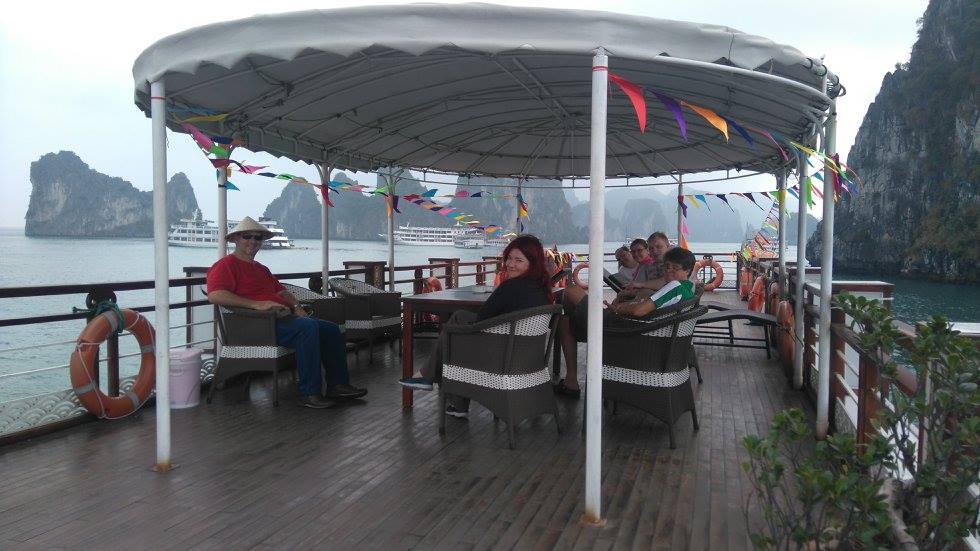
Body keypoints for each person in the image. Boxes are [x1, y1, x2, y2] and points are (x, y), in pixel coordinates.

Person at [206, 217, 367, 409]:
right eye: (247, 236)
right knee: (307, 328)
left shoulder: (261, 269)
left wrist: (297, 307)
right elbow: (215, 295)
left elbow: (282, 292)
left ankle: (337, 385)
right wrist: (257, 305)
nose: (253, 241)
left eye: (258, 237)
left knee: (330, 329)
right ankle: (310, 393)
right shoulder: (225, 266)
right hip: (255, 327)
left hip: (282, 319)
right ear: (235, 240)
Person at [399, 234, 554, 418]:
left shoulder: (511, 287)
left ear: (532, 263)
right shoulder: (542, 289)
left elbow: (482, 318)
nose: (511, 264)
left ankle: (428, 377)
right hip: (526, 359)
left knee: (455, 331)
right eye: (509, 258)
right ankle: (451, 399)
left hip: (500, 360)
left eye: (518, 260)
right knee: (460, 322)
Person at [553, 246, 697, 397]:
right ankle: (571, 375)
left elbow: (638, 311)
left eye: (675, 268)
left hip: (622, 333)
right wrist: (633, 300)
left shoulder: (675, 286)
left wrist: (617, 308)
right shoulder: (688, 289)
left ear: (687, 271)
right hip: (640, 335)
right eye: (667, 267)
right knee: (567, 320)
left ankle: (571, 380)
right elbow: (647, 307)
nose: (669, 271)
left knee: (571, 293)